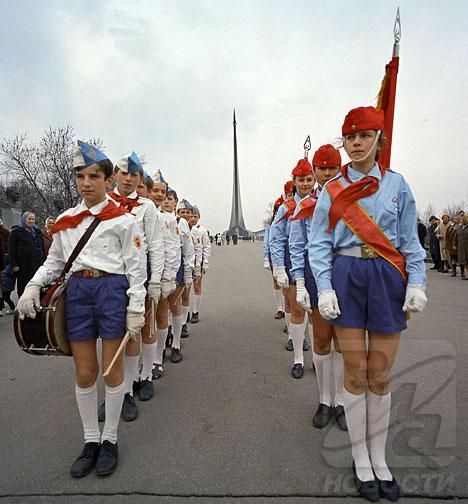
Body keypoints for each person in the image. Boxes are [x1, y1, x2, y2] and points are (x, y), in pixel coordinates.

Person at [309, 107, 427, 501]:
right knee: (356, 371)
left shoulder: (397, 186)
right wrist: (323, 287)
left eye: (363, 135)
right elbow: (320, 243)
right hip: (347, 275)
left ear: (379, 139)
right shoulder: (331, 190)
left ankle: (380, 456)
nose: (355, 143)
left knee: (380, 372)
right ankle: (361, 458)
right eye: (349, 137)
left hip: (386, 278)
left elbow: (410, 242)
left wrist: (418, 283)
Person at [16, 140, 147, 477]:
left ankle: (110, 440)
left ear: (108, 180)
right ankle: (90, 440)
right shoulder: (67, 220)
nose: (86, 182)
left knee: (112, 371)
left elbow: (135, 268)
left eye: (93, 176)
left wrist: (136, 307)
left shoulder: (122, 219)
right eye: (80, 176)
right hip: (77, 294)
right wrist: (32, 286)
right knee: (86, 372)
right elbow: (54, 262)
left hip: (111, 292)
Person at [290, 144, 347, 430]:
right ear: (314, 172)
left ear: (340, 168)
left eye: (332, 168)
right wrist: (299, 282)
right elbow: (298, 245)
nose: (326, 173)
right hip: (315, 275)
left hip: (347, 273)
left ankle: (342, 402)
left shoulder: (352, 198)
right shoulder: (304, 205)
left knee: (344, 341)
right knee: (323, 339)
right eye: (321, 168)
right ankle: (325, 400)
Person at [105, 152, 165, 419]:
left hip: (139, 276)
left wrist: (156, 280)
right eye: (123, 173)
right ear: (114, 175)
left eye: (134, 175)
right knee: (113, 337)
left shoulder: (146, 207)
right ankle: (119, 392)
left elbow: (155, 245)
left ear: (140, 178)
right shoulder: (103, 201)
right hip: (110, 278)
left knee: (140, 330)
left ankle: (140, 380)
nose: (128, 179)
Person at [271, 170, 310, 379]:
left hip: (316, 261)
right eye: (301, 180)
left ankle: (318, 353)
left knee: (316, 313)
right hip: (292, 258)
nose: (305, 183)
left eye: (308, 179)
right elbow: (276, 239)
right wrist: (278, 266)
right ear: (294, 182)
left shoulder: (320, 202)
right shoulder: (287, 208)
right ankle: (298, 358)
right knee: (296, 307)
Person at [148, 175, 180, 379]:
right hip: (136, 272)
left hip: (159, 273)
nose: (161, 196)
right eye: (156, 191)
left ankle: (157, 360)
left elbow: (172, 248)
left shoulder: (167, 219)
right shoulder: (132, 213)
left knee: (160, 314)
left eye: (164, 193)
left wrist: (167, 277)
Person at [8, 212, 45, 297]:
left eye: (33, 219)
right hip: (23, 266)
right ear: (24, 219)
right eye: (29, 219)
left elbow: (42, 247)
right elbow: (11, 250)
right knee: (23, 287)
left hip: (37, 264)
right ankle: (23, 306)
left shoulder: (37, 231)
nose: (31, 221)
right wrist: (14, 264)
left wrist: (44, 262)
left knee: (37, 286)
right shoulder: (16, 232)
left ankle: (36, 306)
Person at [189, 205, 211, 323]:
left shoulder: (202, 230)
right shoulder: (185, 228)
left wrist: (205, 261)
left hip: (198, 262)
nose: (192, 218)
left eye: (195, 216)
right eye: (191, 216)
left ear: (199, 217)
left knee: (197, 286)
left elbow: (207, 246)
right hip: (187, 263)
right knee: (186, 288)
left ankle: (195, 311)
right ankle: (185, 311)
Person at [454, 213, 468, 280]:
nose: (462, 220)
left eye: (463, 219)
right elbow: (455, 237)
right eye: (461, 219)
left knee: (467, 260)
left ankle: (466, 274)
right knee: (462, 260)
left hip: (467, 246)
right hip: (460, 247)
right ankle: (463, 273)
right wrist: (454, 244)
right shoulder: (459, 227)